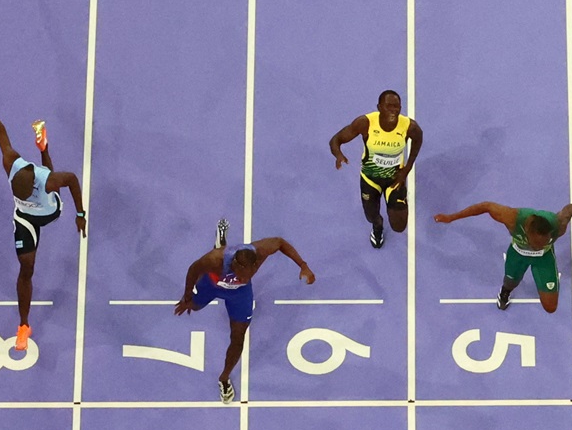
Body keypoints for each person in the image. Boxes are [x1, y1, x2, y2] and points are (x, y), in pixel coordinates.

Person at [0, 82, 86, 351]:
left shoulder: (46, 181)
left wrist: (80, 214)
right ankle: (24, 324)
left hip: (50, 211)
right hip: (25, 218)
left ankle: (43, 147)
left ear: (33, 181)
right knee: (27, 268)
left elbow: (72, 180)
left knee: (52, 174)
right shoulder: (9, 162)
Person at [174, 219, 316, 403]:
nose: (244, 276)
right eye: (240, 273)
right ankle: (220, 244)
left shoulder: (259, 251)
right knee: (194, 307)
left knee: (238, 336)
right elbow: (193, 269)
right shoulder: (215, 260)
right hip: (212, 284)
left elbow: (280, 242)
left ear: (255, 265)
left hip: (239, 294)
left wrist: (303, 265)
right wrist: (186, 297)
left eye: (248, 274)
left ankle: (224, 379)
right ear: (235, 264)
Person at [433, 198, 572, 312]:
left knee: (550, 307)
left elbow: (568, 212)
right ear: (528, 232)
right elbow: (485, 206)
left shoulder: (558, 226)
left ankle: (546, 278)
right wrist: (451, 217)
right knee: (510, 282)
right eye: (536, 244)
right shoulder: (512, 218)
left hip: (544, 258)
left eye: (546, 241)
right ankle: (505, 292)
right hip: (518, 253)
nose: (537, 246)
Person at [328, 90, 425, 249]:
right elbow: (336, 140)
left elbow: (418, 140)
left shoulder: (409, 126)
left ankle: (394, 203)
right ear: (379, 107)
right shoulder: (365, 123)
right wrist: (338, 155)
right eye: (389, 106)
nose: (393, 110)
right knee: (371, 216)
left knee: (399, 226)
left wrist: (407, 169)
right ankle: (378, 226)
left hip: (395, 179)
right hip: (370, 179)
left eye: (397, 107)